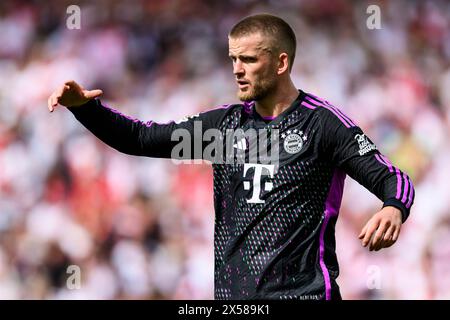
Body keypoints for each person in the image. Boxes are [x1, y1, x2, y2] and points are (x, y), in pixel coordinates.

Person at [47, 14, 415, 300]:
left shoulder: (323, 124)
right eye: (233, 59)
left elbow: (392, 177)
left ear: (281, 62)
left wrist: (392, 207)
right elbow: (141, 138)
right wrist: (86, 109)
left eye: (249, 60)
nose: (237, 69)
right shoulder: (222, 129)